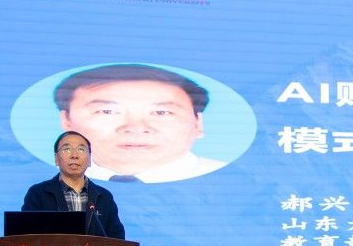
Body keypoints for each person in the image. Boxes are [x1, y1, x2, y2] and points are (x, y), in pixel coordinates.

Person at [54, 64, 226, 183]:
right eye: (107, 111)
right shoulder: (45, 184)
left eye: (161, 112)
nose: (136, 128)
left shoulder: (231, 180)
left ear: (198, 123)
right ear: (66, 120)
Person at [22, 131, 126, 239]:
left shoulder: (104, 197)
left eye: (81, 149)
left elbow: (118, 241)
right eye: (67, 149)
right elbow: (27, 237)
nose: (74, 155)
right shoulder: (38, 194)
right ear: (56, 159)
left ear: (89, 159)